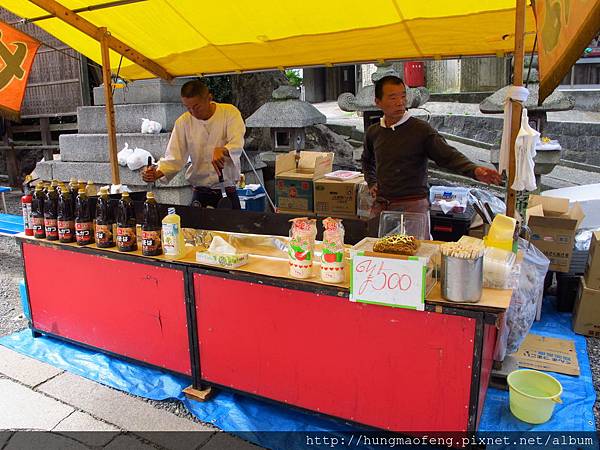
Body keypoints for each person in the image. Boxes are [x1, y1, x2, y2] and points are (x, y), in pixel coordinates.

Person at [362, 75, 502, 237]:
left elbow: (447, 155)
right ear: (378, 102)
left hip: (413, 205)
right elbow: (367, 160)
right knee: (377, 250)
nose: (400, 102)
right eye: (393, 98)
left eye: (403, 96)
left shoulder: (420, 129)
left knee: (415, 252)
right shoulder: (374, 132)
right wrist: (372, 181)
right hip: (383, 204)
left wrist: (474, 170)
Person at [142, 79, 245, 209]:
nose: (193, 112)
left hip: (226, 192)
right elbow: (174, 158)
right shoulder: (184, 122)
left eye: (196, 107)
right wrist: (156, 173)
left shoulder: (229, 113)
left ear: (209, 98)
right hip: (199, 192)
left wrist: (224, 150)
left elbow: (237, 142)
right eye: (188, 108)